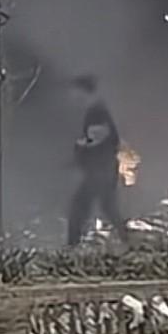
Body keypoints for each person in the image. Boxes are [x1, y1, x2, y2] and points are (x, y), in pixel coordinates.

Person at [67, 74, 127, 247]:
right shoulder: (96, 111)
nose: (73, 98)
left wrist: (81, 146)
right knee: (108, 208)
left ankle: (72, 246)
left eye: (75, 93)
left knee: (79, 207)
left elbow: (97, 137)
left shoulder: (97, 112)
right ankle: (127, 241)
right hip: (102, 170)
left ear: (83, 92)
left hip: (101, 170)